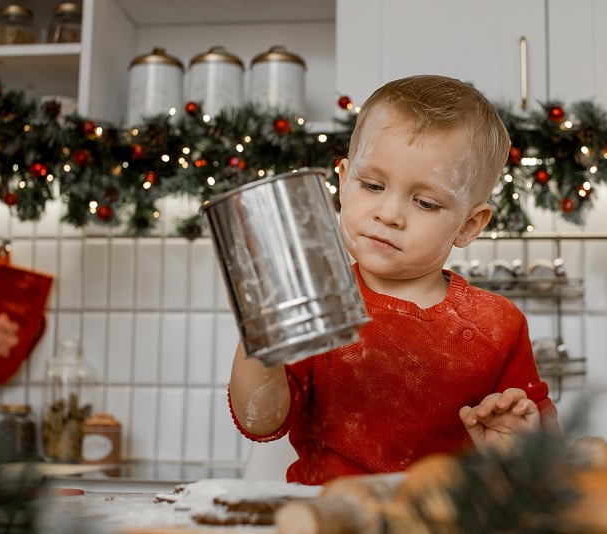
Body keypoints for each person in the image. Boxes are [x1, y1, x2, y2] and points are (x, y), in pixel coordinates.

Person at [229, 74, 559, 485]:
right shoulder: (317, 304)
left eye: (424, 201)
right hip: (331, 521)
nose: (388, 214)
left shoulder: (498, 325)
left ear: (469, 225)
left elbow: (543, 456)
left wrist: (519, 443)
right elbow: (259, 420)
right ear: (344, 181)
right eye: (372, 185)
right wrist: (258, 333)